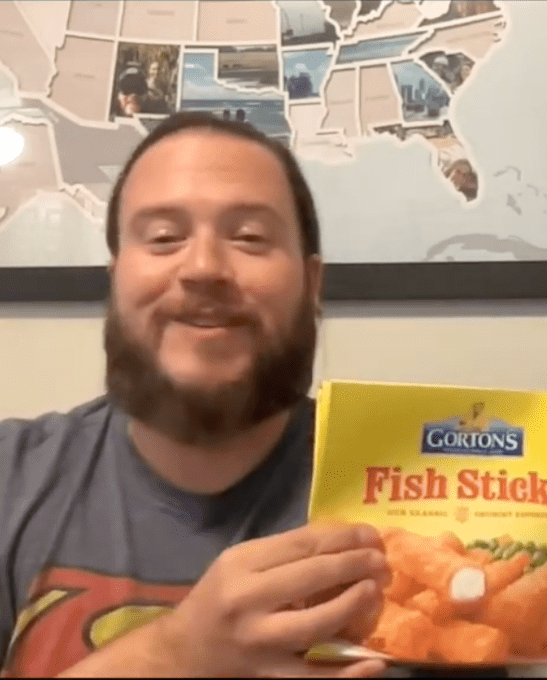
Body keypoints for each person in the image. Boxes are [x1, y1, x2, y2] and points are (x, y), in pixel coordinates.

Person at [0, 112, 390, 678]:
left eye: (249, 237)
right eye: (164, 238)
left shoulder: (419, 493)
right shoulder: (10, 478)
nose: (204, 268)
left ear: (313, 284)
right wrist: (173, 655)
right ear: (116, 278)